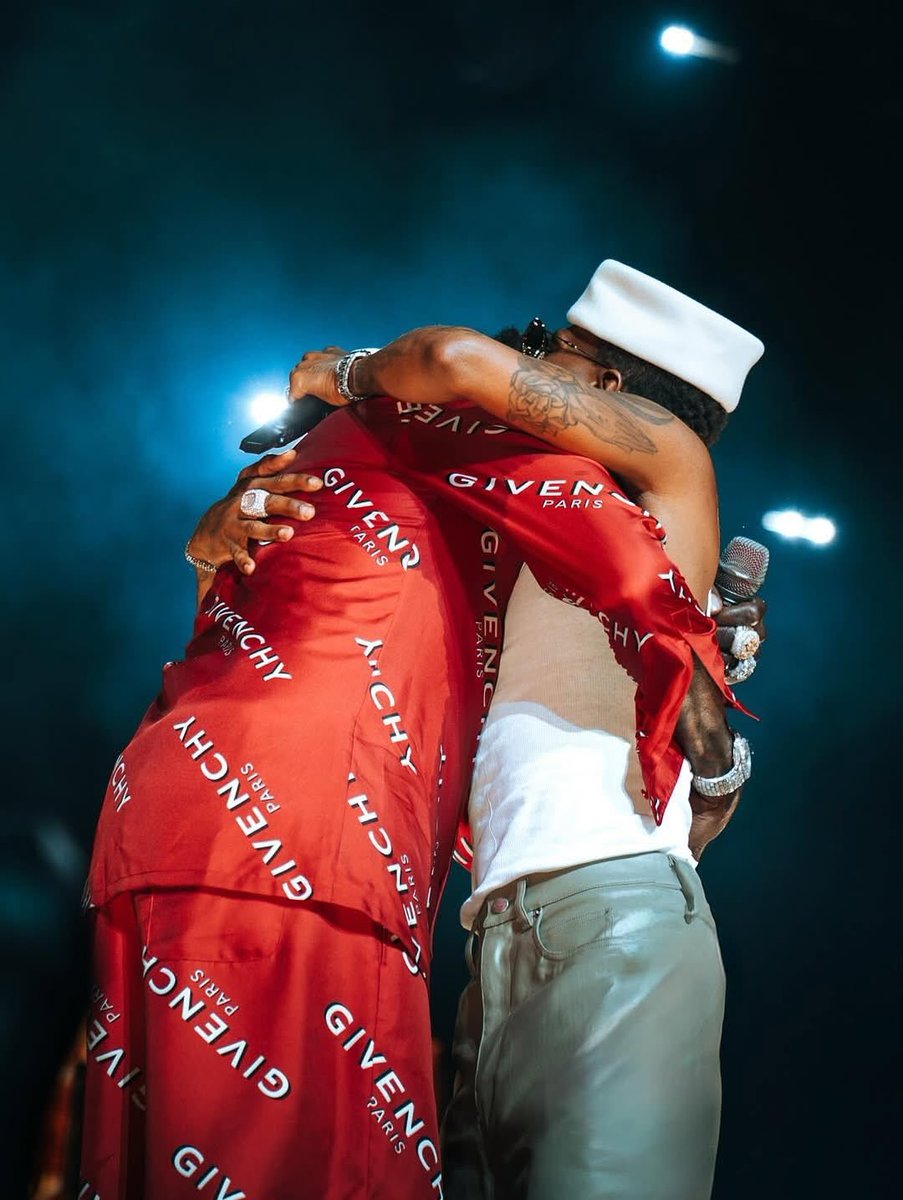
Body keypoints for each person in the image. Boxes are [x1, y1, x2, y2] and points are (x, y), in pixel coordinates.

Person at [80, 262, 756, 1200]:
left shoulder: (662, 465)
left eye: (548, 346)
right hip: (485, 928)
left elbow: (449, 357)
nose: (522, 353)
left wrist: (345, 374)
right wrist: (222, 534)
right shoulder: (518, 491)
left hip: (599, 903)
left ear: (603, 387)